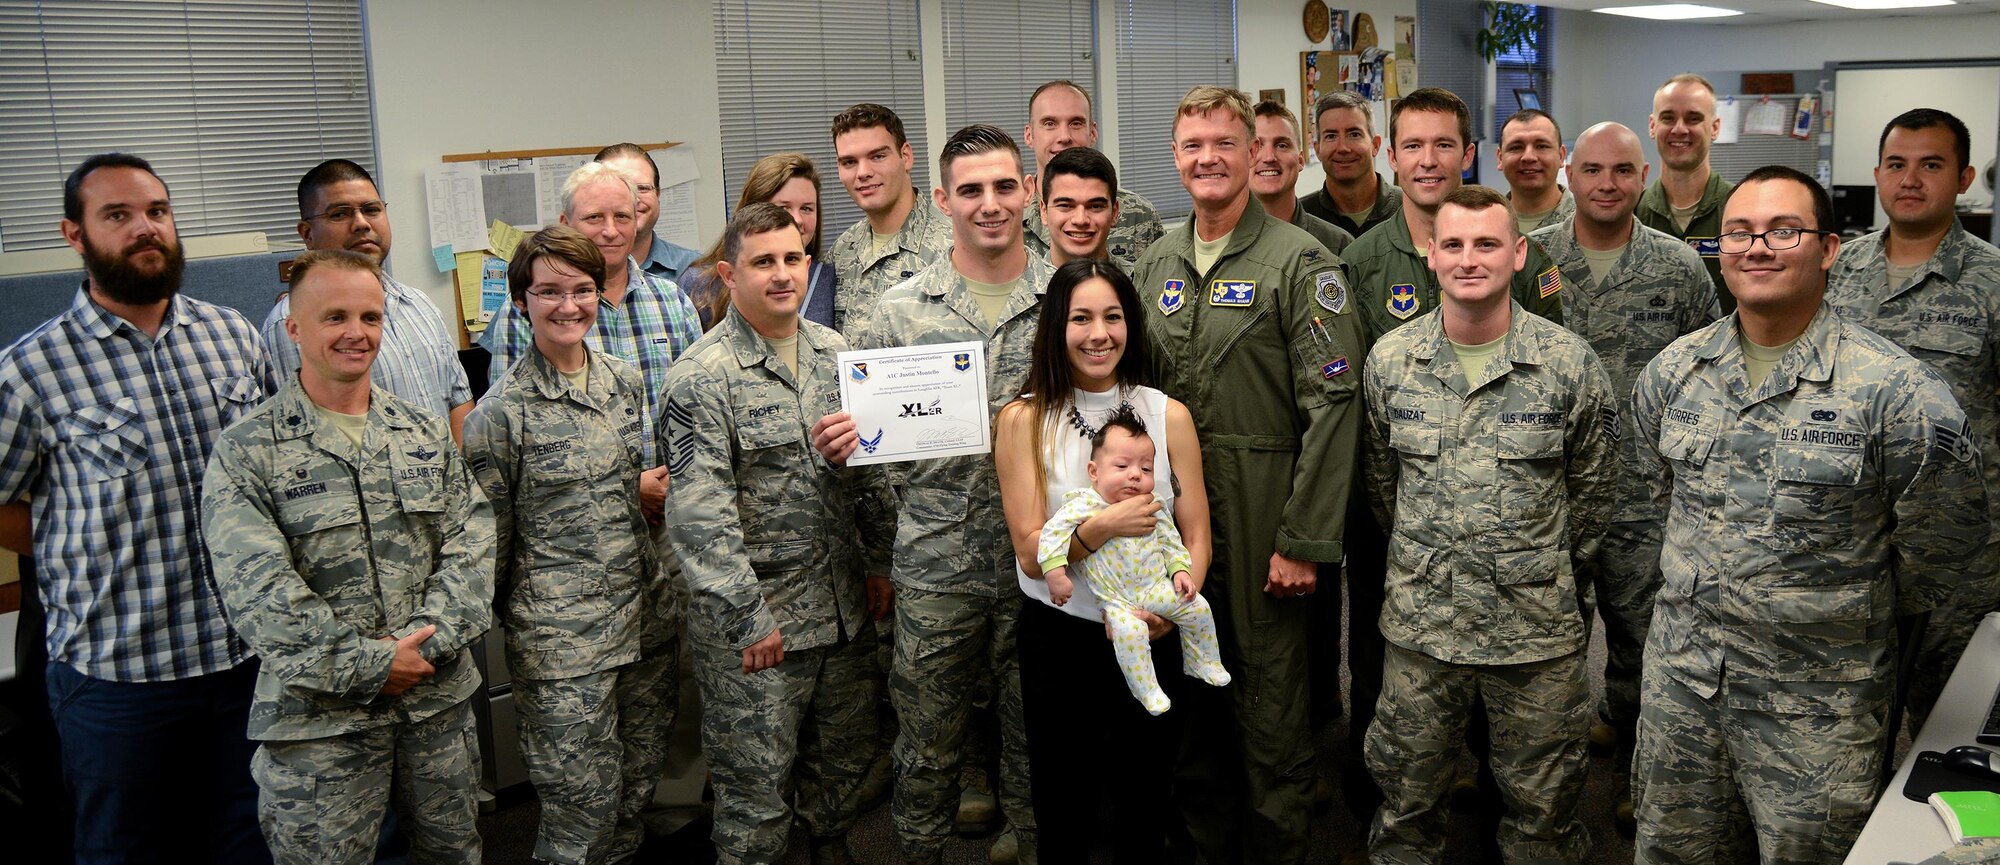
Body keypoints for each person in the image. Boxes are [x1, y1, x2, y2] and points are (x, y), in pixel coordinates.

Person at [1630, 165, 1989, 865]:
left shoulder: (1897, 391)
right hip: (1684, 687)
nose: (1757, 246)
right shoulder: (1673, 372)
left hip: (1817, 707)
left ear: (1827, 248)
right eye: (1740, 232)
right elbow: (1651, 503)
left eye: (1782, 230)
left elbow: (1943, 549)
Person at [0, 152, 277, 865]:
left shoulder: (232, 336)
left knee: (253, 843)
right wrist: (70, 543)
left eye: (156, 211)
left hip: (242, 658)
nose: (144, 228)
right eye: (117, 215)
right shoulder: (31, 369)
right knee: (130, 852)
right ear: (75, 234)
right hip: (119, 680)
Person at [1130, 85, 1364, 865]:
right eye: (1192, 145)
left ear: (1254, 154)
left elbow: (1333, 405)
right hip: (1174, 518)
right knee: (1191, 711)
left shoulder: (1303, 263)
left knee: (1269, 713)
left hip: (1266, 507)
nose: (1208, 158)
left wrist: (1302, 539)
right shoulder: (1155, 261)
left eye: (1225, 144)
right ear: (1174, 156)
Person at [200, 249, 493, 865]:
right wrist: (367, 664)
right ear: (294, 328)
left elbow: (472, 540)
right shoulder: (248, 451)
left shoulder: (420, 432)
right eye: (335, 317)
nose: (355, 333)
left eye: (370, 317)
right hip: (319, 721)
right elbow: (257, 589)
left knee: (455, 854)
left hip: (433, 703)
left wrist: (421, 646)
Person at [812, 124, 1050, 865]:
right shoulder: (898, 310)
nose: (990, 204)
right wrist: (847, 442)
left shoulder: (1067, 295)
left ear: (1029, 191)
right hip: (936, 565)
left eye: (1005, 186)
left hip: (1045, 563)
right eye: (971, 189)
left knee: (1036, 738)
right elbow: (869, 447)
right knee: (927, 746)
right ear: (943, 198)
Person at [1362, 185, 1615, 865]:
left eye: (1487, 243)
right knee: (1407, 802)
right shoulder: (1390, 361)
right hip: (1424, 628)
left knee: (1545, 814)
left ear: (1519, 252)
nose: (1469, 259)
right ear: (1429, 252)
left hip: (1535, 633)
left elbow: (1591, 500)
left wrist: (1547, 572)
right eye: (1454, 244)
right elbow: (1384, 486)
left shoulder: (1567, 364)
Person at [665, 203, 896, 865]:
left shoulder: (838, 354)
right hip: (761, 629)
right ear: (728, 274)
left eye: (792, 258)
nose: (781, 274)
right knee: (755, 803)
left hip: (840, 612)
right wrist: (747, 618)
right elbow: (699, 518)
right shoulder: (700, 378)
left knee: (842, 778)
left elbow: (870, 477)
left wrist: (879, 561)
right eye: (763, 261)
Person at [1528, 121, 1719, 829]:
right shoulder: (1532, 258)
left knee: (1647, 641)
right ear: (1569, 174)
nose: (1607, 183)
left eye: (1623, 171)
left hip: (1650, 492)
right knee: (1550, 641)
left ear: (1644, 179)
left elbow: (1709, 373)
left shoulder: (1679, 266)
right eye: (1594, 170)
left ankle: (1641, 774)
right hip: (1550, 489)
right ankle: (1549, 792)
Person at [462, 225, 671, 865]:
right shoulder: (498, 415)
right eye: (549, 291)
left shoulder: (623, 382)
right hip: (562, 641)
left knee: (636, 787)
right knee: (582, 805)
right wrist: (520, 621)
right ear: (521, 302)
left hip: (645, 621)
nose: (568, 305)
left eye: (582, 289)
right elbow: (486, 540)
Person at [993, 258, 1212, 864]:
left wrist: (1180, 599)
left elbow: (1195, 529)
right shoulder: (1024, 420)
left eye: (1112, 317)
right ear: (1055, 330)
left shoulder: (1166, 414)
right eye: (1080, 318)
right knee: (1065, 806)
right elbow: (1033, 555)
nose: (1099, 334)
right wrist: (1104, 525)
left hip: (1153, 634)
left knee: (1144, 802)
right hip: (1062, 641)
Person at [1828, 108, 2000, 735]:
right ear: (1877, 174)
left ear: (1964, 178)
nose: (1911, 179)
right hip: (1848, 532)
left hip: (1956, 545)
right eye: (1897, 164)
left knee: (1953, 715)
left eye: (1932, 165)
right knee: (1846, 712)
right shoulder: (1837, 268)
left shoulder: (1991, 281)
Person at [481, 160, 703, 528]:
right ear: (566, 224)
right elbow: (512, 435)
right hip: (581, 526)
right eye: (594, 218)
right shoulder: (529, 311)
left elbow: (697, 407)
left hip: (675, 514)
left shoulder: (673, 300)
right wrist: (631, 486)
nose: (611, 231)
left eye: (622, 216)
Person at [262, 159, 473, 442]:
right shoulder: (291, 322)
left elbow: (459, 399)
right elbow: (297, 435)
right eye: (340, 214)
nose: (361, 224)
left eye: (372, 210)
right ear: (307, 234)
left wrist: (452, 477)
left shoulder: (419, 305)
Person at [1036, 408, 1230, 715]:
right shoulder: (1084, 505)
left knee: (1197, 608)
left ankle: (1202, 661)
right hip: (1116, 601)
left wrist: (1180, 570)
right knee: (1131, 634)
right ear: (1094, 472)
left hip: (1155, 587)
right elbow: (1051, 535)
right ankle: (1147, 688)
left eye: (1146, 468)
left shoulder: (1153, 506)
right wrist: (1055, 572)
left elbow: (1171, 542)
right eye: (1122, 466)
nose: (1135, 474)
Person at [828, 102, 953, 339]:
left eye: (877, 156)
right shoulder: (842, 251)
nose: (862, 172)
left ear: (905, 157)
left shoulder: (953, 247)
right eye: (849, 162)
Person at [1019, 80, 1165, 271]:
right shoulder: (1011, 218)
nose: (1064, 136)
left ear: (1093, 132)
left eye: (1076, 123)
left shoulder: (1139, 215)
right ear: (1029, 135)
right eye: (1049, 123)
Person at [682, 152, 839, 330]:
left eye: (807, 208)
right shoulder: (700, 283)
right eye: (784, 208)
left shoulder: (829, 279)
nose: (798, 219)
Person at [1636, 73, 1735, 309]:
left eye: (1693, 119)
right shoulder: (1633, 213)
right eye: (1668, 118)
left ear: (1715, 127)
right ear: (1652, 126)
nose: (1679, 129)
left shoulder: (1740, 208)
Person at [1251, 99, 1356, 255]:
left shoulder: (1337, 244)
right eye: (1258, 146)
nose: (1269, 157)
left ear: (1300, 160)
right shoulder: (1220, 241)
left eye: (1282, 145)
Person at [1300, 90, 1402, 238]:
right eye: (1331, 136)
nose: (1343, 148)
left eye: (1354, 134)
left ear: (1375, 145)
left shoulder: (1408, 208)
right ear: (1317, 150)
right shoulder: (1301, 218)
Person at [597, 142, 703, 286]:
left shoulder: (695, 269)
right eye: (620, 188)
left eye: (642, 188)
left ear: (658, 194)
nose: (633, 199)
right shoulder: (566, 270)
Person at [1037, 146, 1122, 267]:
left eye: (1095, 206)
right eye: (1065, 206)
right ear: (1044, 212)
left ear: (1114, 213)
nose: (1080, 220)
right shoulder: (1020, 285)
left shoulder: (1140, 282)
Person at [1498, 109, 1575, 235]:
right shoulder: (1481, 223)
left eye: (1541, 146)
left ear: (1561, 156)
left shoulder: (1588, 222)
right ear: (1500, 158)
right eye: (1516, 147)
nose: (1528, 157)